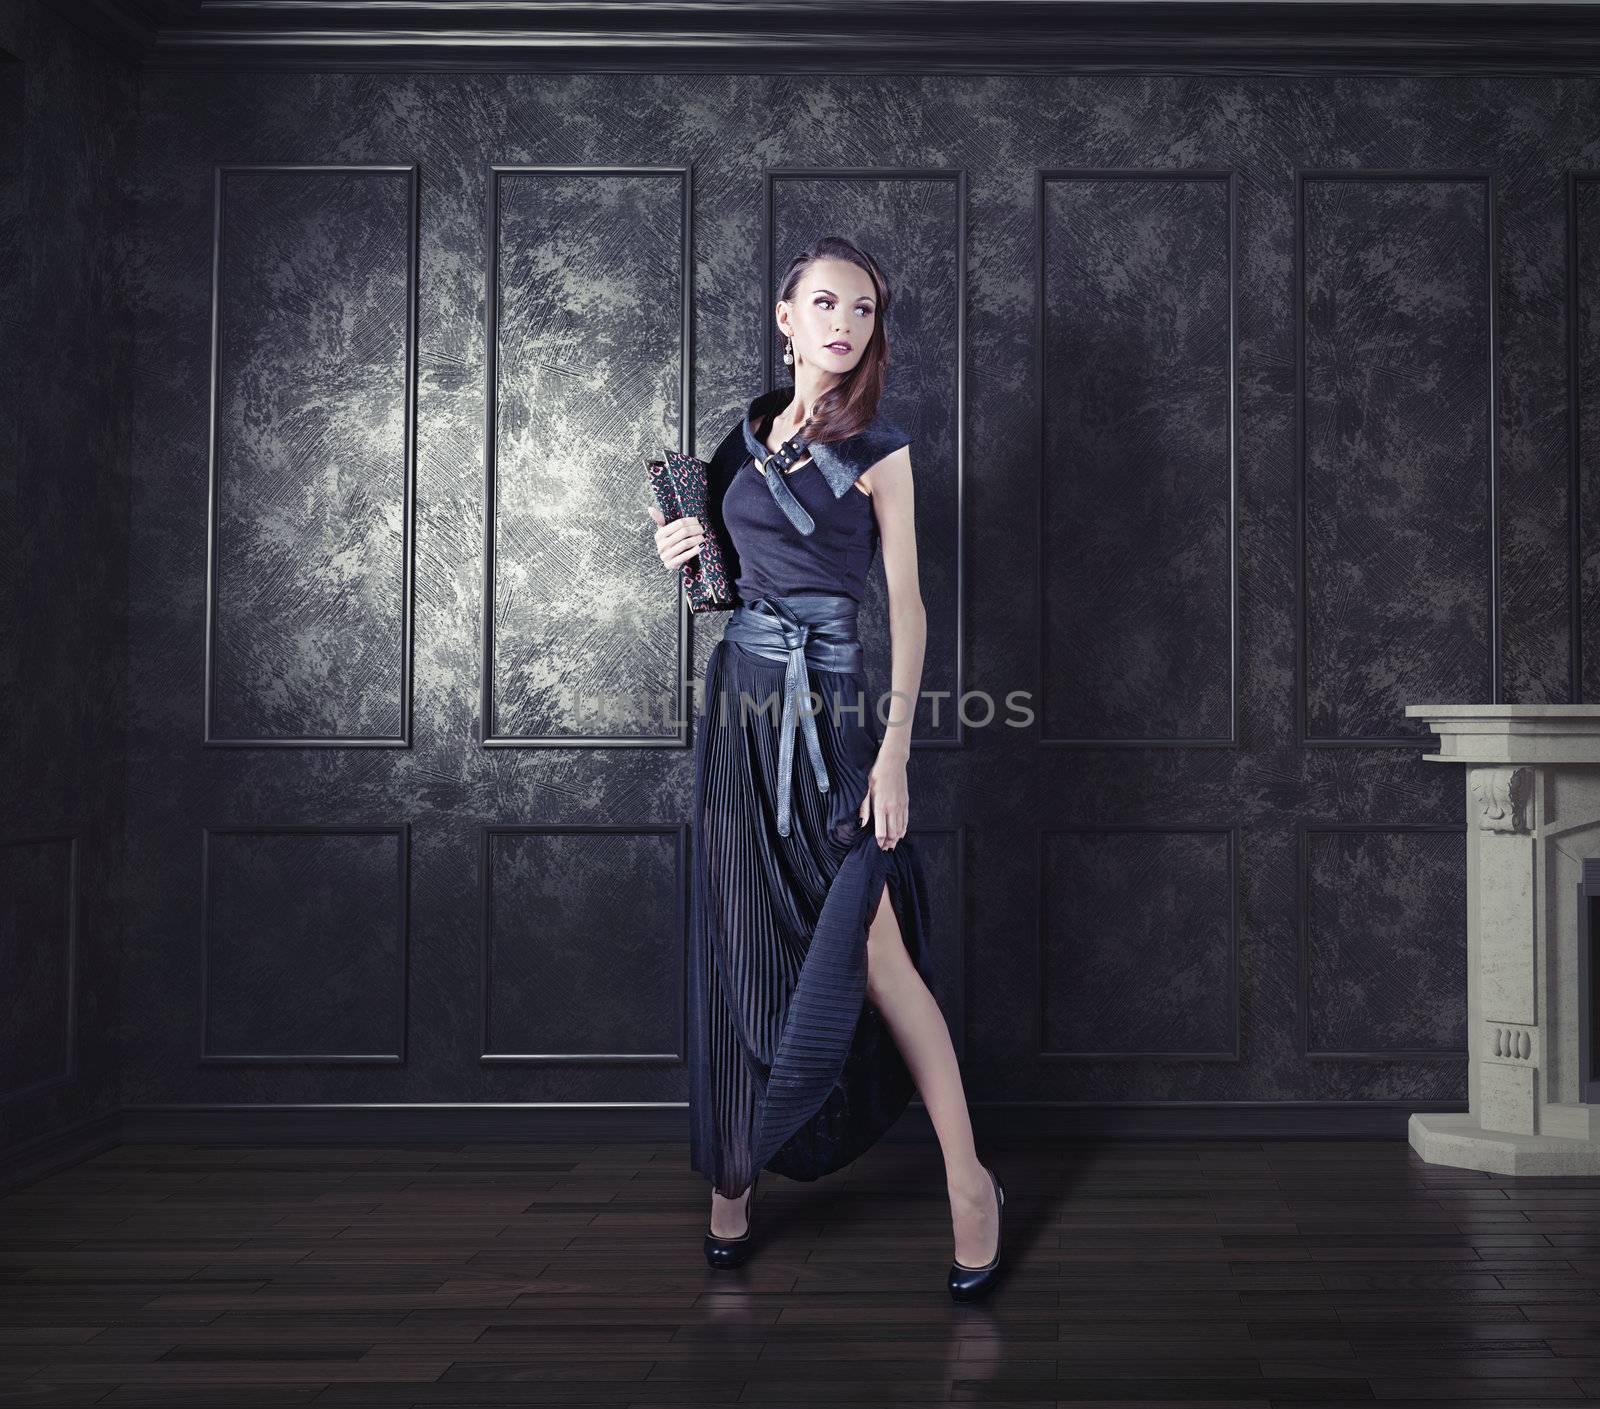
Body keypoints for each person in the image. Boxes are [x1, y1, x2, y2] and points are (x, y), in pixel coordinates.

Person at [649, 236, 1005, 1300]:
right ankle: (731, 1180)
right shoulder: (744, 433)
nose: (844, 322)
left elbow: (908, 607)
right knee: (738, 930)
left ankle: (967, 1181)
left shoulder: (880, 445)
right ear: (786, 316)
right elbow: (712, 574)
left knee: (878, 948)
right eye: (824, 303)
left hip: (839, 708)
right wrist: (670, 549)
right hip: (742, 711)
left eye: (862, 308)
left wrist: (893, 753)